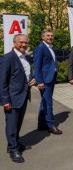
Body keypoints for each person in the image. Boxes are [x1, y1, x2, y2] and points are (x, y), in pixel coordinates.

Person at [0, 34, 36, 163]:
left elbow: (27, 73)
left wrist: (32, 79)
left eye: (26, 43)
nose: (24, 45)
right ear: (14, 43)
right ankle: (13, 149)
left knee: (18, 123)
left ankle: (15, 142)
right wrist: (5, 100)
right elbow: (2, 81)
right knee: (11, 125)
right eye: (21, 42)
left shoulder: (26, 57)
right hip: (12, 98)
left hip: (23, 96)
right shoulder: (8, 58)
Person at [33, 29, 62, 134]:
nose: (50, 37)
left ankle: (41, 124)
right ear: (43, 37)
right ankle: (51, 126)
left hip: (51, 78)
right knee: (48, 103)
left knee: (44, 102)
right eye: (48, 35)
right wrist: (39, 81)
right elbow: (37, 66)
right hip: (45, 80)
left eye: (51, 35)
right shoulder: (40, 48)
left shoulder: (50, 48)